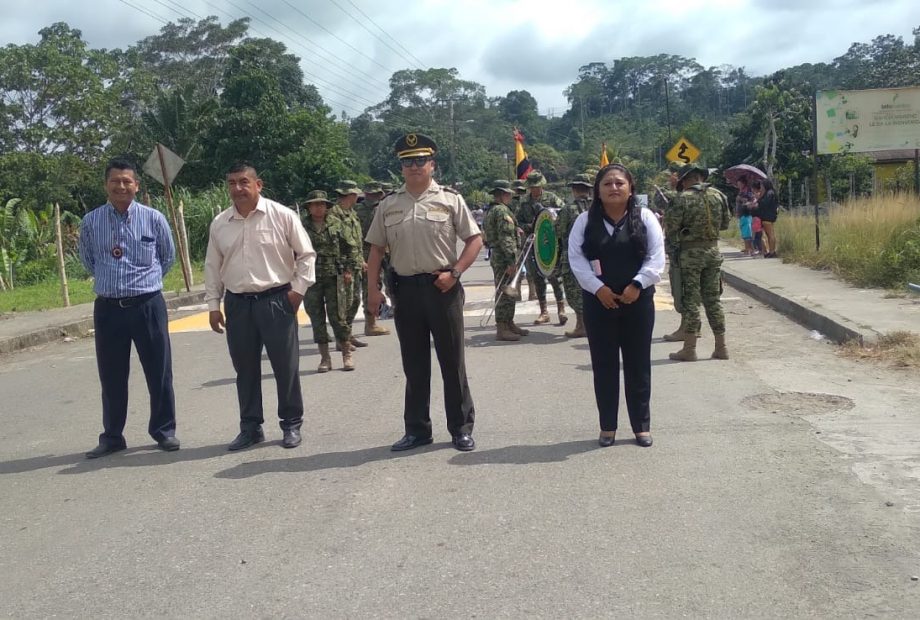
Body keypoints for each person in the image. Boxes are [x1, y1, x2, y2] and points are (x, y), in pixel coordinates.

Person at [365, 133, 482, 452]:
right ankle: (417, 430)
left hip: (441, 288)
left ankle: (460, 428)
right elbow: (375, 250)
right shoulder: (388, 205)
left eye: (420, 161)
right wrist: (372, 292)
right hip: (405, 291)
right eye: (407, 162)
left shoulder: (449, 199)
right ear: (401, 168)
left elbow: (474, 240)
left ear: (432, 165)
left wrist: (455, 272)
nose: (414, 167)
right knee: (414, 364)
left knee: (452, 361)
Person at [204, 163, 316, 450]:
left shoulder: (281, 215)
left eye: (243, 182)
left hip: (277, 300)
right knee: (245, 369)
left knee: (285, 367)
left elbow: (306, 255)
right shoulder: (220, 223)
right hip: (238, 304)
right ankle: (250, 427)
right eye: (232, 183)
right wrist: (214, 305)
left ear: (258, 185)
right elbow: (212, 266)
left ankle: (291, 424)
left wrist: (297, 292)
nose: (237, 189)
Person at [78, 158, 179, 458]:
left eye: (127, 181)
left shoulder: (154, 219)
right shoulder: (91, 222)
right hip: (108, 309)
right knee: (111, 375)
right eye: (115, 181)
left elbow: (167, 257)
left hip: (147, 304)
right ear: (106, 185)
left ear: (136, 185)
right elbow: (87, 260)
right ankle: (112, 436)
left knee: (159, 371)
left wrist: (144, 284)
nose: (121, 186)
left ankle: (164, 431)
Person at [568, 163, 665, 448]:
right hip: (600, 304)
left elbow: (657, 257)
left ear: (630, 188)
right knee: (604, 365)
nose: (614, 188)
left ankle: (641, 426)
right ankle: (607, 426)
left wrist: (638, 284)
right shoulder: (584, 222)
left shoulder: (646, 218)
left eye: (619, 183)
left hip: (638, 302)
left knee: (638, 363)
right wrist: (599, 289)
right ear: (597, 190)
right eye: (607, 184)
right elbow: (576, 260)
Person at [664, 164, 731, 362]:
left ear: (685, 180)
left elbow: (672, 226)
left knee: (691, 301)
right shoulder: (719, 195)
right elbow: (725, 224)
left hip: (690, 254)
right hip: (713, 251)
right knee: (713, 300)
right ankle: (721, 347)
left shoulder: (682, 199)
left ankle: (690, 348)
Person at [302, 190, 357, 372]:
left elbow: (349, 247)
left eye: (322, 204)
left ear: (326, 207)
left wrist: (348, 270)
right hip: (311, 278)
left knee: (338, 317)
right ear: (308, 208)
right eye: (314, 204)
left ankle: (346, 354)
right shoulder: (301, 227)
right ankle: (325, 358)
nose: (318, 208)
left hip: (334, 276)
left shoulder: (336, 224)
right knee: (317, 318)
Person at [516, 170, 567, 325]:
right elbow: (518, 222)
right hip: (532, 244)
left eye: (537, 186)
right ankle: (544, 312)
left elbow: (563, 214)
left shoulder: (552, 198)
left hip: (550, 243)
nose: (535, 189)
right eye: (532, 187)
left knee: (554, 276)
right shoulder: (524, 202)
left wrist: (550, 220)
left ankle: (561, 308)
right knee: (537, 278)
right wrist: (529, 226)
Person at [483, 179, 528, 341]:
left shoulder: (491, 210)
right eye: (509, 194)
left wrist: (516, 229)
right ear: (503, 195)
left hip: (498, 254)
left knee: (509, 291)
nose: (510, 197)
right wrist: (511, 261)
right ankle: (502, 327)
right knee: (504, 292)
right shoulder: (502, 211)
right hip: (504, 256)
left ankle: (509, 322)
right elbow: (505, 238)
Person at [330, 179, 367, 351]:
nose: (356, 196)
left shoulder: (351, 213)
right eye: (355, 194)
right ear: (349, 194)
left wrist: (361, 260)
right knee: (343, 304)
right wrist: (345, 269)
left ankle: (348, 334)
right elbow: (336, 244)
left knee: (355, 300)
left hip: (356, 264)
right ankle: (341, 339)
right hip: (344, 267)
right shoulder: (334, 214)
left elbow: (356, 241)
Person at [555, 173, 593, 338]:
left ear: (575, 190)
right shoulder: (599, 206)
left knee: (574, 290)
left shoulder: (568, 210)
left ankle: (581, 325)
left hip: (573, 256)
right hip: (596, 256)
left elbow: (559, 231)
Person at [354, 181, 391, 336]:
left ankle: (373, 321)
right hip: (372, 251)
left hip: (375, 250)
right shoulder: (382, 208)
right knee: (372, 285)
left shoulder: (357, 209)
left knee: (376, 284)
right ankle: (371, 324)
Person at [753, 178, 779, 257]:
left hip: (768, 216)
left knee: (770, 234)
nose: (761, 187)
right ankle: (771, 251)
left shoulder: (769, 193)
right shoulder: (769, 193)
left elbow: (764, 204)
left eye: (761, 186)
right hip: (766, 216)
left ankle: (772, 252)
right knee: (768, 234)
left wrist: (758, 199)